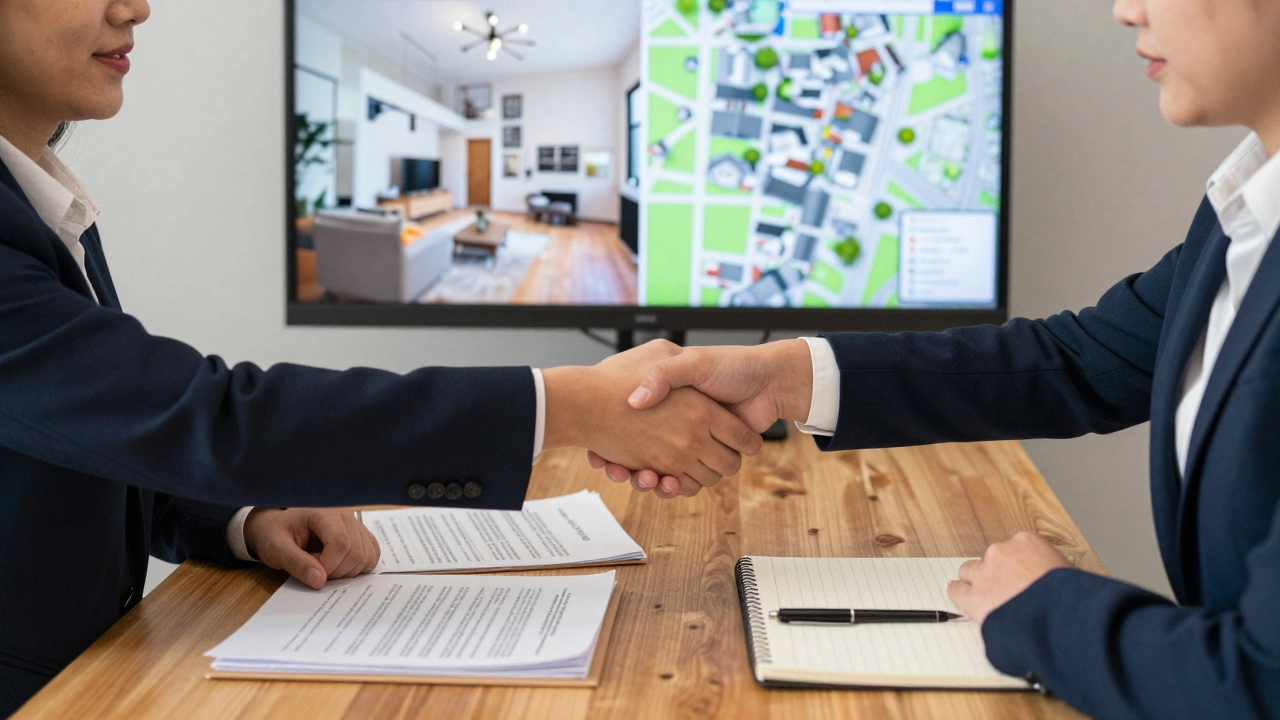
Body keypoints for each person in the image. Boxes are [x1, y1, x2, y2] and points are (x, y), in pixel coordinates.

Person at [0, 0, 763, 713]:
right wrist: (574, 405)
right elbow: (205, 416)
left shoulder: (46, 207)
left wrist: (248, 520)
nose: (136, 7)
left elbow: (110, 434)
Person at [591, 0, 1280, 716]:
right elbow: (1080, 359)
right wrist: (784, 377)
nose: (1125, 11)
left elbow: (1261, 683)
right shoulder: (1243, 212)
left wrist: (1044, 606)